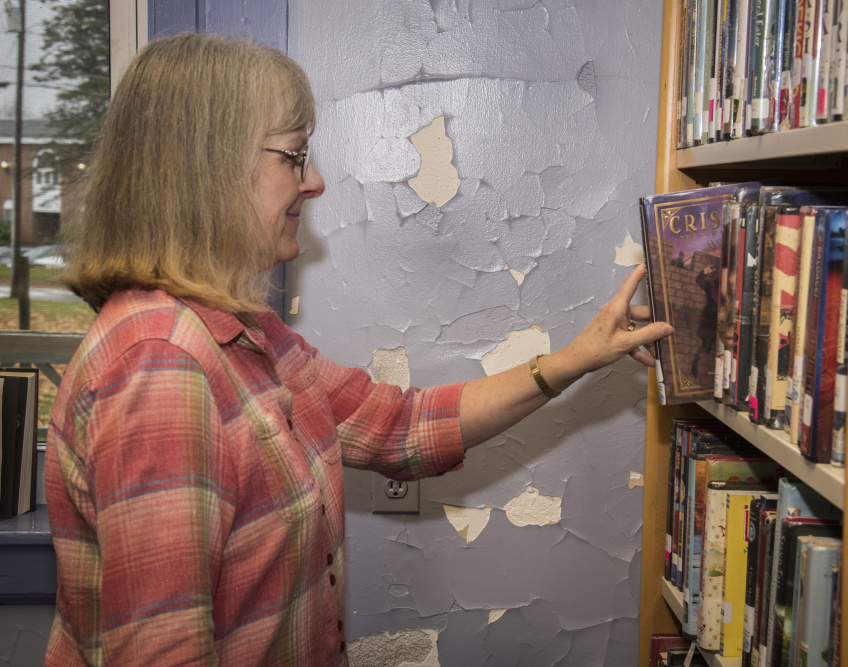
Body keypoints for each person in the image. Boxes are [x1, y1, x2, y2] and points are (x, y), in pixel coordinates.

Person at [43, 33, 672, 666]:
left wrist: (580, 355)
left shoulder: (245, 334)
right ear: (208, 168)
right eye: (294, 155)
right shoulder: (161, 366)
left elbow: (400, 426)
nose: (314, 182)